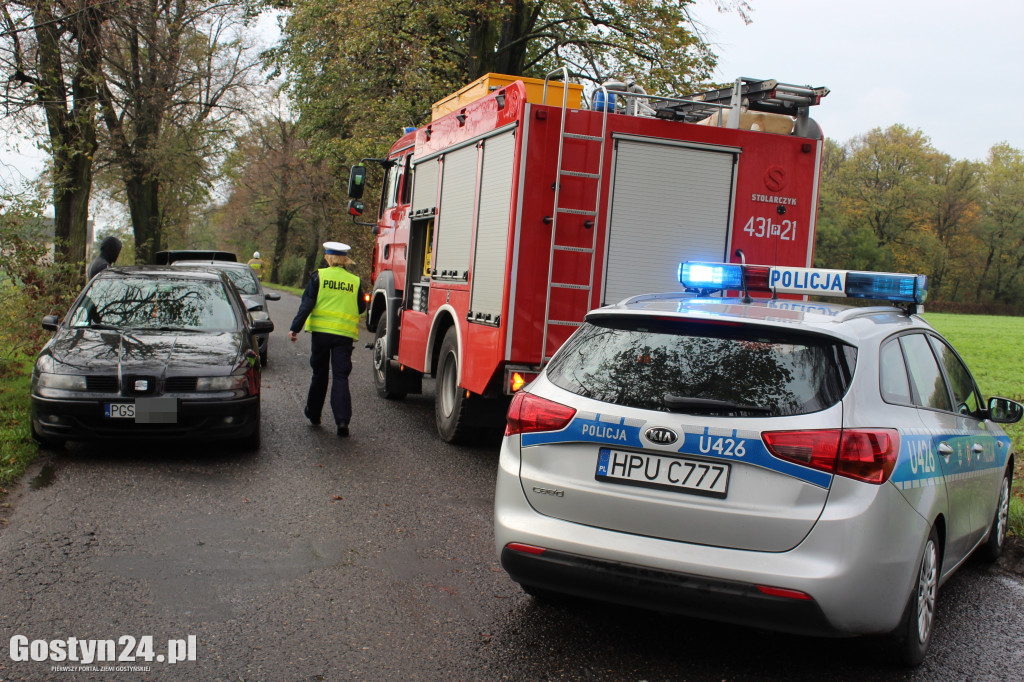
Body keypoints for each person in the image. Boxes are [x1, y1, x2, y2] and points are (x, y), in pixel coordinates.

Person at [288, 242, 366, 437]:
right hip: (344, 336)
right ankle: (342, 422)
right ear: (345, 259)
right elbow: (361, 307)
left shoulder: (319, 277)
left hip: (321, 334)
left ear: (328, 258)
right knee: (340, 376)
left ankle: (314, 414)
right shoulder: (355, 281)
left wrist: (294, 328)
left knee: (320, 374)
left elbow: (306, 305)